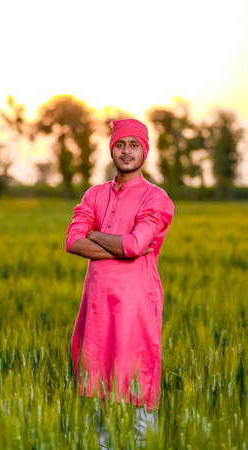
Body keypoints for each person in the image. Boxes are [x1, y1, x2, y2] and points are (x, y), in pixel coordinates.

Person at [66, 118, 174, 446]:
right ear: (112, 149)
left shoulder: (156, 198)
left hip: (135, 304)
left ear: (146, 151)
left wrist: (96, 235)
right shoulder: (94, 194)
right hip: (97, 304)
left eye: (134, 145)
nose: (127, 152)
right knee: (94, 380)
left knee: (138, 377)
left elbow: (136, 245)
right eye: (121, 145)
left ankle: (145, 444)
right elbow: (72, 241)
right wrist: (120, 244)